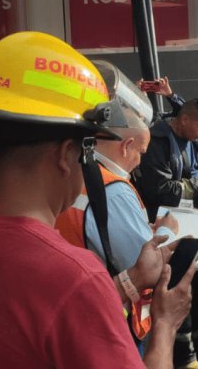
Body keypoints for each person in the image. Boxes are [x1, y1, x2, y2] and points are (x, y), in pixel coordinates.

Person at [0, 31, 194, 368]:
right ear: (66, 155)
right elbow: (60, 298)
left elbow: (35, 316)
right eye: (86, 153)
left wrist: (134, 277)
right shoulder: (72, 277)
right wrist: (165, 326)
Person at [54, 63, 179, 352]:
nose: (140, 162)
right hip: (110, 317)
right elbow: (146, 264)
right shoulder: (114, 189)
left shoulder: (72, 172)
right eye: (141, 153)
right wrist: (165, 231)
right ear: (127, 146)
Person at [138, 97, 198, 369]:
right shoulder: (156, 141)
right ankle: (184, 356)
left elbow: (197, 173)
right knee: (179, 287)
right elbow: (161, 190)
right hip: (172, 232)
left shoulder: (196, 140)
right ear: (184, 119)